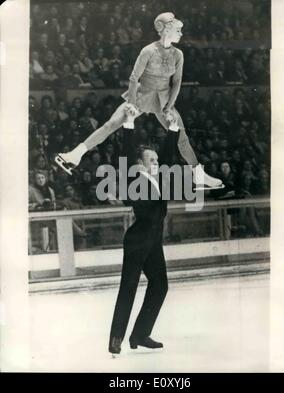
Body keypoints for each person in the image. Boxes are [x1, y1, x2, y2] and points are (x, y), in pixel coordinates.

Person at [55, 12, 223, 189]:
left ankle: (199, 175)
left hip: (165, 98)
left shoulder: (178, 54)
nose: (181, 33)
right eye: (178, 30)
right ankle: (74, 155)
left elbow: (177, 82)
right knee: (110, 125)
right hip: (142, 94)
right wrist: (131, 104)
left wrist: (169, 106)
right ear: (167, 29)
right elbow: (134, 79)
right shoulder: (148, 51)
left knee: (182, 137)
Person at [109, 131, 179, 355]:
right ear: (139, 163)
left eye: (157, 160)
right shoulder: (134, 177)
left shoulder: (160, 178)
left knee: (160, 285)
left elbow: (167, 156)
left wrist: (172, 130)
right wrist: (128, 125)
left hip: (154, 243)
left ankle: (140, 333)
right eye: (152, 160)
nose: (157, 163)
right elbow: (127, 153)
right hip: (137, 242)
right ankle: (115, 338)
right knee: (128, 288)